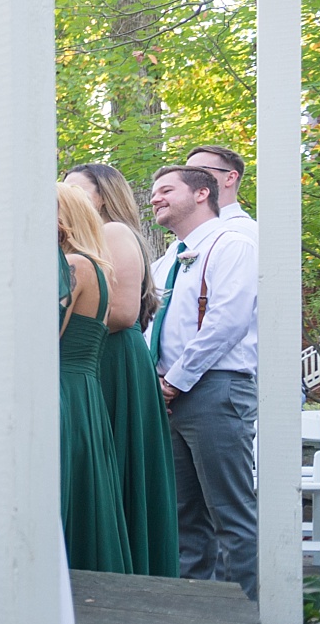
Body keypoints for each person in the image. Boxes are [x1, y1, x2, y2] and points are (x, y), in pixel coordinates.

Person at [63, 164, 178, 577]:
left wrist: (67, 316)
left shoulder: (112, 232)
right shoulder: (78, 243)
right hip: (92, 354)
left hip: (107, 357)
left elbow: (125, 312)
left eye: (75, 190)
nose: (65, 197)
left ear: (104, 198)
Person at [149, 164, 259, 599]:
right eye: (154, 192)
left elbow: (226, 321)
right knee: (182, 517)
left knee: (230, 515)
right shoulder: (165, 263)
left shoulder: (233, 246)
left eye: (165, 190)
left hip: (216, 391)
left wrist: (174, 381)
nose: (154, 197)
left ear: (201, 193)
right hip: (167, 395)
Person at [54, 184, 133, 574]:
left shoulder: (73, 266)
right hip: (82, 393)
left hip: (61, 393)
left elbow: (41, 336)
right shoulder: (97, 266)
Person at [185, 145, 257, 242]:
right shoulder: (187, 237)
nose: (187, 179)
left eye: (198, 171)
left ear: (230, 178)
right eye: (185, 173)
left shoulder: (241, 231)